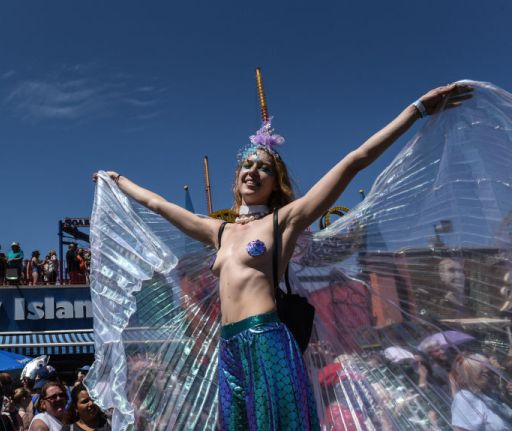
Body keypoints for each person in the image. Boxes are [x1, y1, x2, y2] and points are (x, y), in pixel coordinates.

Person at [94, 83, 472, 429]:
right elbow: (158, 205)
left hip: (267, 338)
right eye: (247, 164)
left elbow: (356, 160)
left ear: (276, 183)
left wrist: (417, 109)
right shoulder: (218, 231)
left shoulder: (284, 221)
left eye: (264, 167)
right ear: (237, 175)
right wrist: (117, 182)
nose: (253, 171)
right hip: (229, 346)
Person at [451, 353, 512, 431]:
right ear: (477, 375)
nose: (493, 375)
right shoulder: (464, 399)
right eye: (488, 372)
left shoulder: (489, 393)